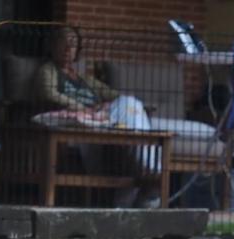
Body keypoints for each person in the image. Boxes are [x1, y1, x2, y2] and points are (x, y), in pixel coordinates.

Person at [35, 27, 156, 203]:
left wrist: (137, 106)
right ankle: (150, 172)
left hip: (103, 118)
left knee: (130, 103)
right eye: (64, 42)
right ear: (53, 46)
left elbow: (113, 95)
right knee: (130, 107)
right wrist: (82, 108)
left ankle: (144, 174)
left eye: (74, 44)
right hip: (86, 119)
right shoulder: (48, 70)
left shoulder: (84, 78)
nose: (69, 48)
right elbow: (48, 93)